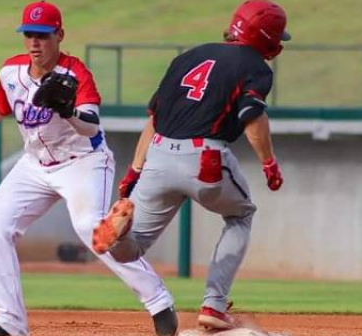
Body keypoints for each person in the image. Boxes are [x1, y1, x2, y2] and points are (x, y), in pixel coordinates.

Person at [0, 2, 177, 336]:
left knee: (91, 229)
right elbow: (1, 102)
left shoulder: (76, 73)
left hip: (83, 162)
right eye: (29, 35)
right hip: (35, 166)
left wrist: (68, 112)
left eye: (43, 36)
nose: (35, 42)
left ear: (60, 35)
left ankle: (159, 302)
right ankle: (9, 322)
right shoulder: (11, 70)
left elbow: (92, 126)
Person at [92, 0, 289, 331]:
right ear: (266, 36)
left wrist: (134, 171)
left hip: (158, 156)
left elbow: (155, 119)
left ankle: (121, 232)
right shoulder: (255, 66)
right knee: (241, 214)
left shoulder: (187, 57)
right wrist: (269, 163)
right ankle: (213, 304)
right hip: (204, 158)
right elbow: (252, 116)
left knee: (130, 250)